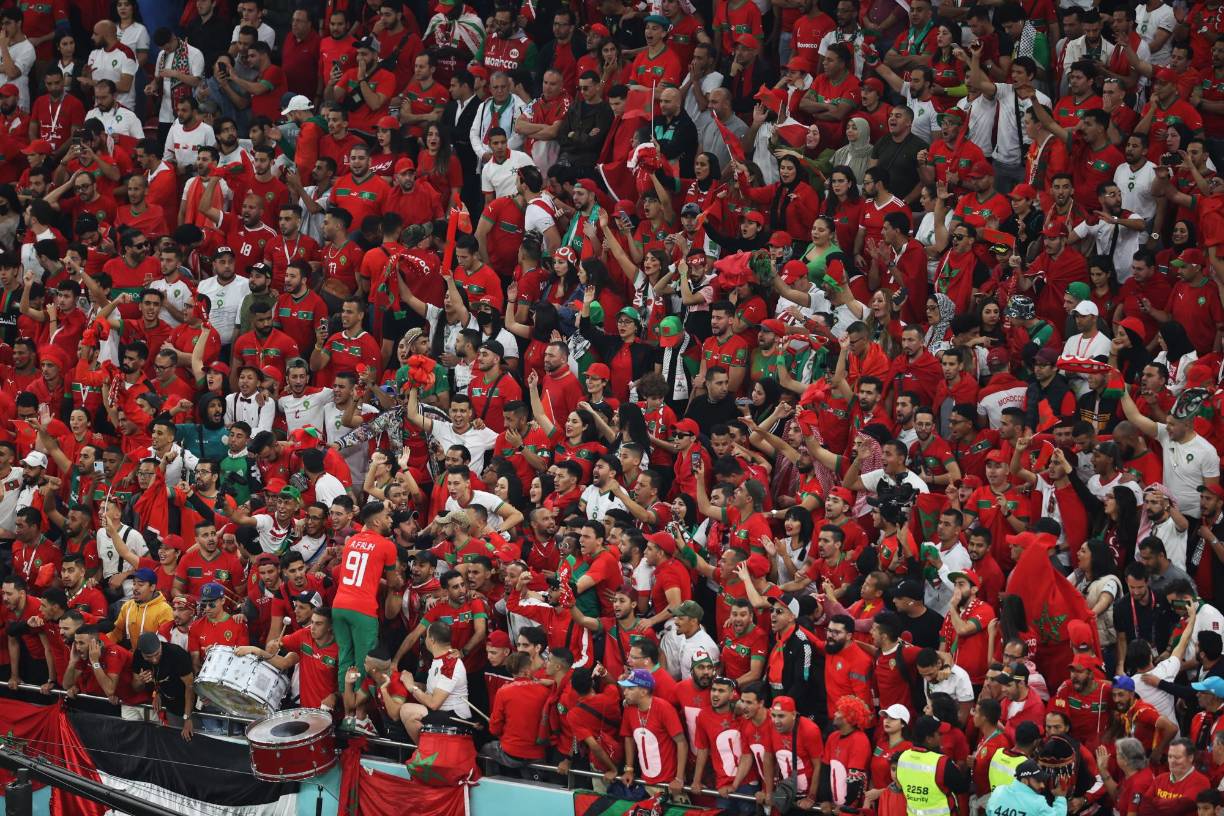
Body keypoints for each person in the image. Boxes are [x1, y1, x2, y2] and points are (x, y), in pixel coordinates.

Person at [332, 502, 400, 687]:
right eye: (387, 517)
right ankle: (360, 713)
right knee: (364, 661)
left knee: (345, 657)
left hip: (339, 605)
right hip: (363, 609)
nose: (390, 520)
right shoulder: (387, 546)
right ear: (377, 522)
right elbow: (393, 582)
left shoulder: (352, 541)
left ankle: (346, 708)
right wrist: (397, 582)